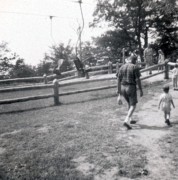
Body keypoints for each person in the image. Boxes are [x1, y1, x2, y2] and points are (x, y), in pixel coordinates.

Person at [117, 55, 143, 130]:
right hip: (131, 87)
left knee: (129, 103)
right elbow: (138, 79)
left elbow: (118, 80)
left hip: (123, 87)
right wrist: (140, 90)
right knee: (133, 105)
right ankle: (126, 121)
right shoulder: (135, 67)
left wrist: (119, 94)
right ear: (134, 60)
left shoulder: (122, 67)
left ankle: (131, 119)